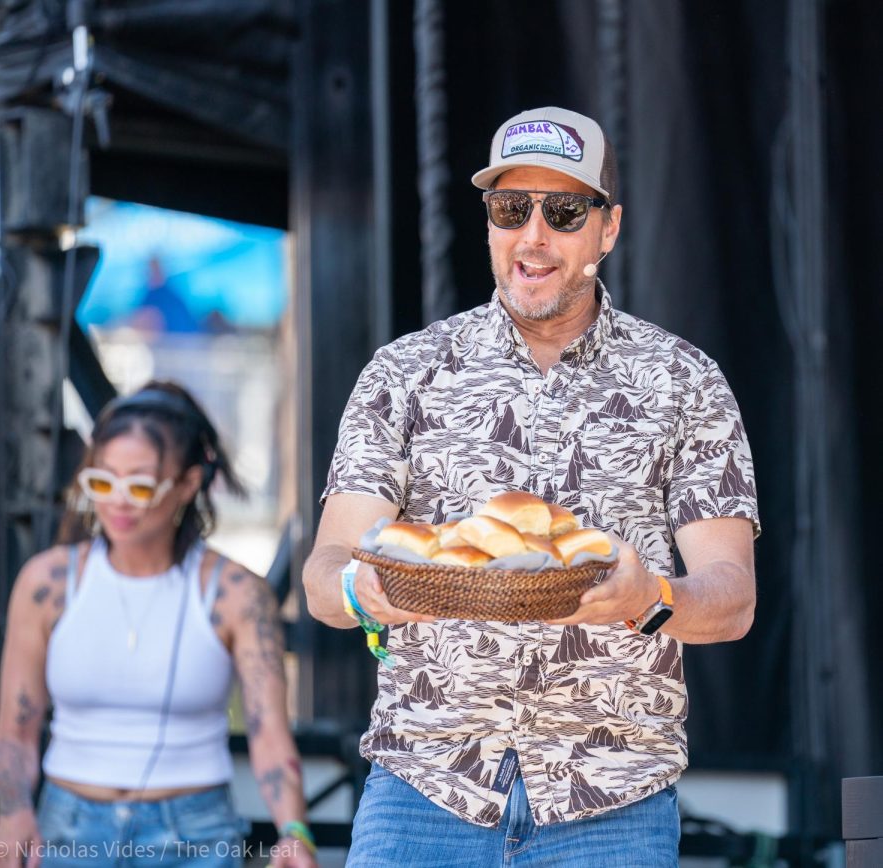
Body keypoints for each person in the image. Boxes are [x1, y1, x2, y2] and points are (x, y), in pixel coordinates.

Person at [303, 107, 760, 868]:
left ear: (608, 229)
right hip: (426, 788)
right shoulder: (404, 373)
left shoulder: (685, 382)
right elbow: (324, 576)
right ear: (488, 223)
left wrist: (652, 598)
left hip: (612, 801)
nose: (534, 235)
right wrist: (365, 590)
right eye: (511, 209)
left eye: (565, 210)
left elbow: (734, 597)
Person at [0, 381, 317, 868]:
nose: (118, 501)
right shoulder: (47, 582)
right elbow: (16, 728)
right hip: (68, 826)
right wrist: (13, 814)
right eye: (103, 482)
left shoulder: (238, 595)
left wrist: (294, 830)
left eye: (139, 486)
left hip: (196, 832)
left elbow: (269, 732)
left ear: (187, 484)